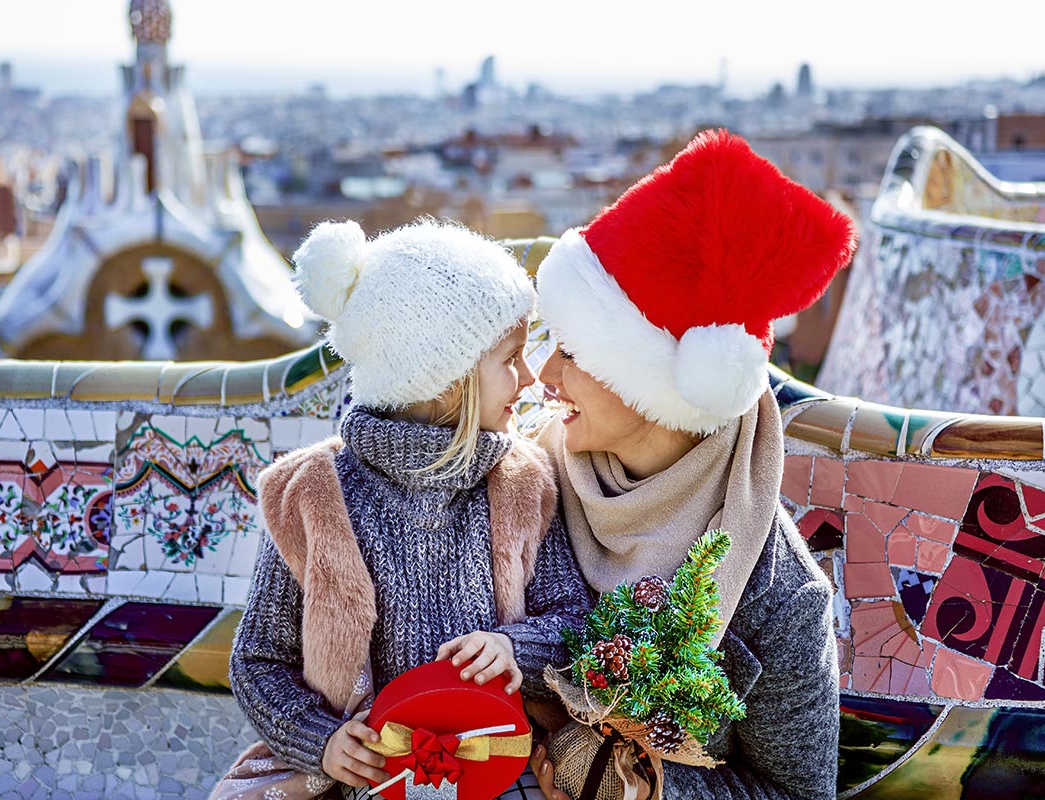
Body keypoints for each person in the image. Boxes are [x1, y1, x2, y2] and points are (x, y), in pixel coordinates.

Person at [526, 130, 855, 800]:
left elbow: (798, 794)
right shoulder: (523, 484)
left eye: (575, 353)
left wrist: (646, 789)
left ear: (658, 386)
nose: (544, 373)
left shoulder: (775, 595)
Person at [218, 218, 591, 800]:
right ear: (446, 379)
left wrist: (513, 646)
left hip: (494, 761)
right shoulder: (314, 495)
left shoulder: (521, 484)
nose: (526, 379)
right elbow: (259, 661)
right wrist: (323, 740)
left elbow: (573, 618)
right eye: (509, 360)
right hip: (367, 773)